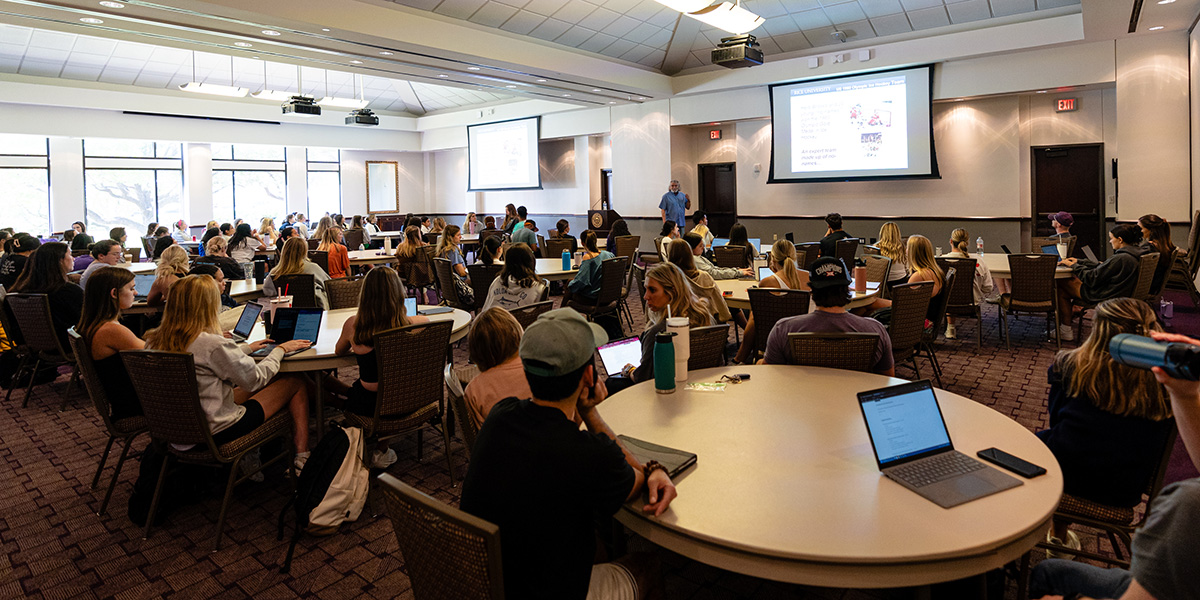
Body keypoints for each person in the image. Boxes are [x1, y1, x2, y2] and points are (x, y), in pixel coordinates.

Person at [460, 308, 678, 600]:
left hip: (487, 580)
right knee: (648, 565)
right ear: (589, 375)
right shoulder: (587, 453)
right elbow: (635, 481)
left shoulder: (501, 415)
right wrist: (591, 412)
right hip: (546, 591)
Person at [1035, 297, 1175, 556]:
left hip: (1061, 478)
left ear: (1099, 332)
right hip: (1124, 490)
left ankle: (1057, 537)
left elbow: (1057, 422)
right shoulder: (1169, 381)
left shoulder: (1069, 366)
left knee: (1025, 445)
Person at [143, 275, 312, 470]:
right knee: (294, 380)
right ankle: (303, 455)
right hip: (217, 431)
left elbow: (206, 360)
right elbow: (254, 380)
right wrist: (280, 351)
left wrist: (248, 349)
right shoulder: (211, 343)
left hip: (177, 431)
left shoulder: (153, 341)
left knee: (265, 380)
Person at [333, 266, 428, 468]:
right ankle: (382, 449)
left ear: (365, 294)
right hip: (409, 398)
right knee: (388, 385)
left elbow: (338, 351)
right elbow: (425, 320)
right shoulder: (413, 324)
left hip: (371, 405)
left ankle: (336, 412)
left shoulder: (354, 325)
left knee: (330, 384)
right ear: (398, 294)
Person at [763, 257, 894, 375]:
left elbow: (772, 375)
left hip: (803, 399)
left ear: (812, 291)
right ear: (848, 289)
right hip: (854, 399)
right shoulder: (876, 330)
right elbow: (888, 378)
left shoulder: (783, 329)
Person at [609, 263, 711, 389]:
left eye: (652, 290)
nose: (646, 296)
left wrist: (630, 370)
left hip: (664, 391)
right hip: (700, 385)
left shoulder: (660, 334)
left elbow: (642, 378)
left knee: (611, 383)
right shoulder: (704, 318)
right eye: (645, 289)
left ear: (671, 292)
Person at [1055, 223, 1148, 341]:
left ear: (1120, 240)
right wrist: (1079, 262)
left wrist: (1074, 266)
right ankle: (1066, 327)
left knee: (1062, 284)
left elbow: (1092, 278)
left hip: (1104, 294)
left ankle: (1065, 329)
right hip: (1119, 292)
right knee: (1067, 286)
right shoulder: (1134, 254)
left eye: (1111, 239)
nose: (1110, 242)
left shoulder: (1121, 258)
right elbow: (1104, 267)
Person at [77, 266, 145, 419]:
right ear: (114, 293)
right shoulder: (111, 330)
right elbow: (156, 354)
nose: (136, 293)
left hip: (122, 399)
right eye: (131, 289)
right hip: (133, 404)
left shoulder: (92, 324)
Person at [734, 239, 811, 364]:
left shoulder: (768, 282)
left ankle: (740, 358)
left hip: (774, 339)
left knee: (754, 316)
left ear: (772, 259)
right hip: (804, 339)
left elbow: (755, 322)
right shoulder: (808, 277)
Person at [463, 307, 531, 430]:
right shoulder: (540, 371)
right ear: (517, 332)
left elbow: (481, 435)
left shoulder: (474, 390)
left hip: (501, 447)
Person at [10, 242, 84, 347]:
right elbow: (87, 319)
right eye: (70, 255)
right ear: (60, 260)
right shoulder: (68, 291)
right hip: (68, 344)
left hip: (30, 346)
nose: (74, 259)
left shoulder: (19, 291)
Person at [942, 228, 993, 339]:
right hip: (971, 304)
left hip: (946, 304)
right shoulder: (978, 261)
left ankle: (950, 327)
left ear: (951, 241)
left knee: (948, 294)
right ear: (967, 242)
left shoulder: (941, 261)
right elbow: (988, 288)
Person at [667, 237, 731, 325]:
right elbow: (723, 310)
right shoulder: (704, 277)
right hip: (710, 328)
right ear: (690, 254)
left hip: (677, 327)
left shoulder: (667, 280)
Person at [263, 236, 330, 309]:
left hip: (286, 310)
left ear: (284, 251)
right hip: (314, 310)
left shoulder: (276, 272)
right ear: (304, 251)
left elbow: (267, 291)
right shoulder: (313, 268)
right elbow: (329, 285)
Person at [483, 243, 547, 312]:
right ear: (531, 261)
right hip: (524, 322)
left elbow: (485, 309)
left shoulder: (497, 281)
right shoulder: (538, 287)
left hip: (493, 321)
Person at [565, 230, 614, 304]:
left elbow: (581, 281)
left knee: (570, 288)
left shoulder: (588, 258)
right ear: (596, 240)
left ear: (582, 243)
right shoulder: (609, 255)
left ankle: (560, 313)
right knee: (570, 283)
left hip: (595, 297)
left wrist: (570, 285)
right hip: (609, 294)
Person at [1138, 213, 1175, 294]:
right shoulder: (1164, 245)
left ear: (1150, 230)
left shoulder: (1150, 248)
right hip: (1154, 285)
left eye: (1141, 228)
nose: (1139, 231)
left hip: (1146, 287)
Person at [877, 222, 909, 288]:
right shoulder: (902, 247)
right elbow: (907, 267)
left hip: (885, 282)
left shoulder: (876, 248)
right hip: (902, 281)